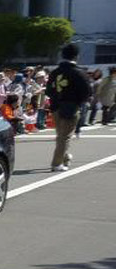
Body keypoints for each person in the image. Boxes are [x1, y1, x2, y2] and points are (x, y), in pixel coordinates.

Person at [45, 43, 92, 172]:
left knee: (60, 135)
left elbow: (48, 91)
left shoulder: (55, 72)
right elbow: (87, 92)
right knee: (64, 137)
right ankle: (56, 163)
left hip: (55, 107)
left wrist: (57, 98)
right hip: (71, 107)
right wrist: (78, 101)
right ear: (76, 56)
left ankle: (65, 157)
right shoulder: (79, 72)